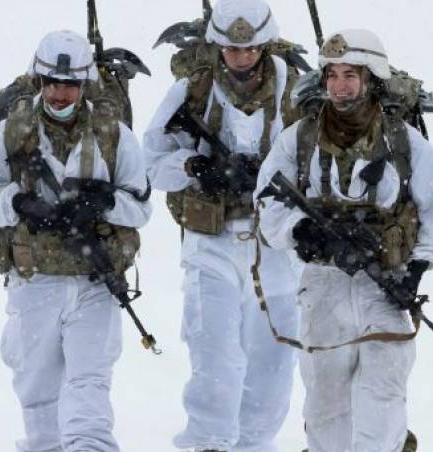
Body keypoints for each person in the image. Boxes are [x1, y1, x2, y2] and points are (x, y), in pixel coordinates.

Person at [254, 29, 433, 452]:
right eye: (332, 75)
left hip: (385, 284)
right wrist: (301, 230)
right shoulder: (299, 139)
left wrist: (414, 272)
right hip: (323, 285)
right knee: (326, 403)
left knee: (383, 397)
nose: (339, 86)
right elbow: (267, 199)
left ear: (371, 78)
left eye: (350, 75)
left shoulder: (404, 142)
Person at [0, 30, 151, 452]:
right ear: (39, 80)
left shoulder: (113, 133)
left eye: (69, 84)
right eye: (52, 82)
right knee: (38, 386)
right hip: (35, 278)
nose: (60, 93)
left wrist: (103, 202)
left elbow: (140, 208)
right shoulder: (8, 132)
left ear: (84, 83)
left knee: (90, 381)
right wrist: (18, 203)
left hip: (94, 279)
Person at [143, 0, 300, 450]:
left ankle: (254, 445)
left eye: (250, 48)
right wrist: (196, 166)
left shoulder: (294, 90)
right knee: (213, 353)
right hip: (211, 241)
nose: (242, 57)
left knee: (274, 358)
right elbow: (150, 164)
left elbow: (316, 157)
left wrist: (272, 177)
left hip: (275, 244)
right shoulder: (192, 91)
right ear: (217, 46)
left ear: (265, 44)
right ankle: (208, 441)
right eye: (232, 48)